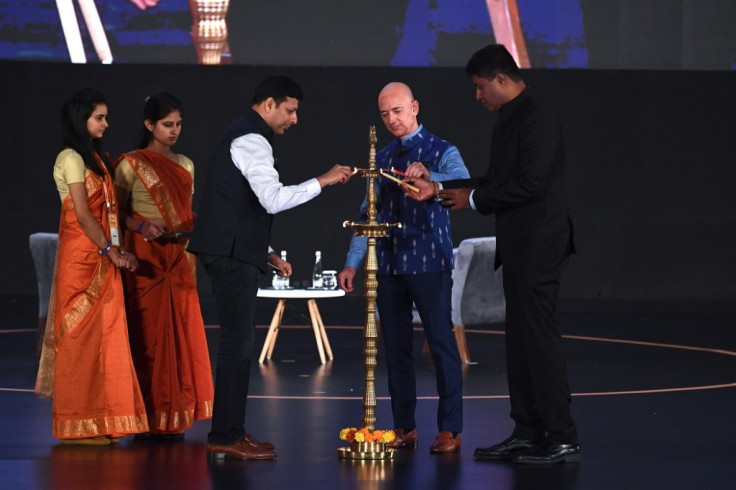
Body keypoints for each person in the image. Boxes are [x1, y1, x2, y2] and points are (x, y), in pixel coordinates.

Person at [404, 44, 580, 464]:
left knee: (538, 341)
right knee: (519, 341)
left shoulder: (536, 118)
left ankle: (562, 437)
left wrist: (474, 199)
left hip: (540, 244)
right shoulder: (510, 118)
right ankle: (527, 431)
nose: (478, 96)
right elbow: (497, 180)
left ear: (501, 79)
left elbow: (529, 185)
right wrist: (442, 188)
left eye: (481, 87)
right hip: (520, 245)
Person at [187, 75, 354, 460]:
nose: (294, 119)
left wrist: (266, 254)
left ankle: (231, 432)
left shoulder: (245, 135)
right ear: (268, 104)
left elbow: (236, 206)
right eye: (290, 110)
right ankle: (225, 436)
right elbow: (272, 199)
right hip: (230, 258)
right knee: (237, 345)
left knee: (239, 345)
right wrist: (324, 181)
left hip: (236, 253)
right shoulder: (251, 138)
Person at [338, 82, 469, 454]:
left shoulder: (442, 150)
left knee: (441, 344)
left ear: (414, 107)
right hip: (389, 265)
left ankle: (451, 429)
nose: (391, 119)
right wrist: (352, 263)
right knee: (396, 349)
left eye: (397, 111)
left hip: (428, 262)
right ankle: (404, 427)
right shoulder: (382, 158)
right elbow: (368, 213)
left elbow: (461, 182)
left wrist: (430, 177)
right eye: (384, 114)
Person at [35, 88, 149, 445]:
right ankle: (75, 424)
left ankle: (102, 420)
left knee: (107, 339)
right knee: (79, 340)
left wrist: (140, 228)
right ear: (80, 119)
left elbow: (110, 212)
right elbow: (83, 214)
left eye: (105, 116)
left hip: (102, 256)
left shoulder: (97, 159)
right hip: (83, 260)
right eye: (99, 117)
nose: (106, 123)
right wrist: (110, 252)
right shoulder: (70, 157)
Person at [114, 93, 214, 440]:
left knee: (180, 334)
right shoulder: (130, 163)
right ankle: (147, 414)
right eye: (167, 125)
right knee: (150, 337)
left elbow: (184, 211)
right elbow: (113, 213)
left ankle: (175, 414)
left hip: (180, 256)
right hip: (145, 259)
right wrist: (141, 226)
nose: (174, 131)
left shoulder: (185, 164)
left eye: (178, 124)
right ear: (149, 125)